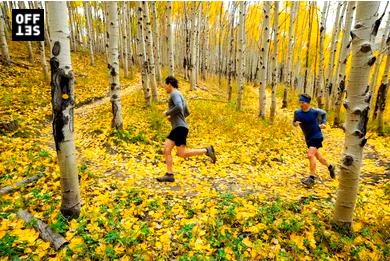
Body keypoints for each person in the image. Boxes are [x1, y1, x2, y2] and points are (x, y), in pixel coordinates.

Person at [157, 76, 216, 182]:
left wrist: (167, 113)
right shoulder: (180, 94)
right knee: (168, 150)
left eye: (165, 85)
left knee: (181, 153)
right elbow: (186, 111)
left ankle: (207, 150)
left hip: (179, 128)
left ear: (169, 84)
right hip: (179, 127)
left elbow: (179, 107)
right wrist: (174, 118)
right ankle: (169, 175)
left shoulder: (174, 94)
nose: (165, 88)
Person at [293, 94, 336, 188]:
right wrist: (295, 124)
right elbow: (294, 122)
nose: (301, 104)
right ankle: (330, 167)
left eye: (303, 102)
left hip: (317, 136)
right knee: (319, 158)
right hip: (308, 138)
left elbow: (324, 113)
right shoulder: (297, 112)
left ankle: (311, 179)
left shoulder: (315, 111)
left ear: (308, 103)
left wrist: (323, 123)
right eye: (300, 102)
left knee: (310, 155)